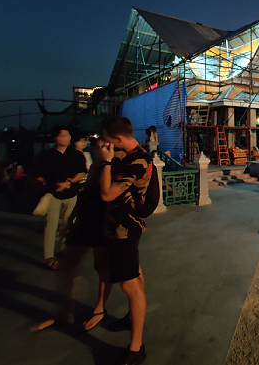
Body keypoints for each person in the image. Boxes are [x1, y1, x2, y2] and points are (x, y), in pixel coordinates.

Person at [30, 138, 112, 333]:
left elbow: (107, 196)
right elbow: (86, 196)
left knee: (102, 268)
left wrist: (108, 164)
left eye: (103, 146)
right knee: (66, 266)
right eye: (98, 146)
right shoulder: (94, 168)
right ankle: (64, 310)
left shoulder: (110, 168)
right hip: (84, 222)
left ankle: (100, 309)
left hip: (101, 224)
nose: (98, 149)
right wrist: (71, 220)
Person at [100, 117, 152, 365]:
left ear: (118, 139)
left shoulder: (138, 160)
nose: (105, 144)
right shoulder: (131, 156)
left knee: (129, 285)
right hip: (120, 227)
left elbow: (107, 193)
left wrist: (106, 161)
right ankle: (133, 316)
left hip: (125, 228)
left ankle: (136, 347)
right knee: (135, 274)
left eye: (108, 140)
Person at [33, 126, 87, 270]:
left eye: (68, 136)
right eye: (62, 136)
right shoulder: (46, 156)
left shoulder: (76, 155)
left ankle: (63, 249)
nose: (66, 138)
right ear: (55, 138)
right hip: (53, 194)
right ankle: (48, 257)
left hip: (71, 193)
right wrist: (50, 184)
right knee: (51, 225)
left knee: (69, 224)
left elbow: (82, 172)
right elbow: (37, 175)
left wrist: (68, 183)